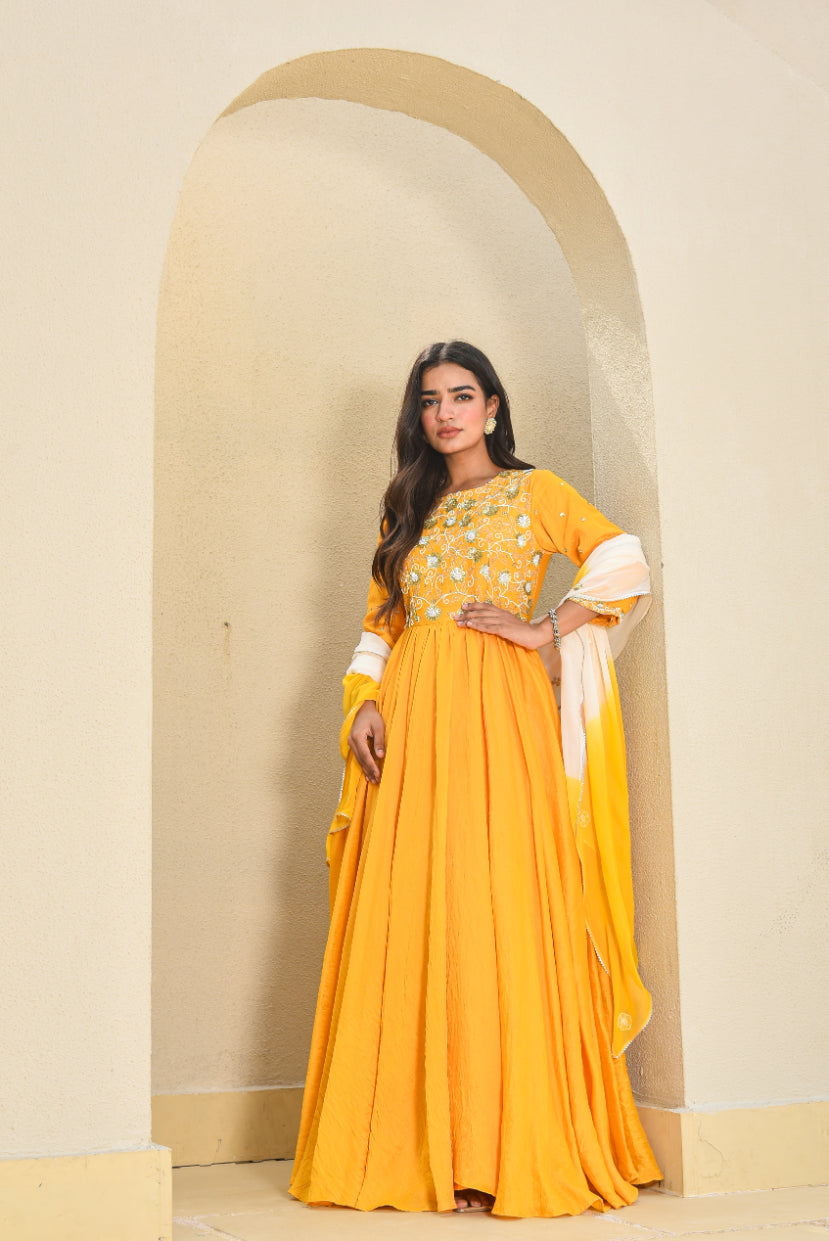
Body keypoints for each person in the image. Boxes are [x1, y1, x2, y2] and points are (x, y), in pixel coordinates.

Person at [289, 341, 662, 1217]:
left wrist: (545, 628)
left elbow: (624, 557)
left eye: (461, 396)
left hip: (500, 712)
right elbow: (379, 622)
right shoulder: (406, 505)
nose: (445, 413)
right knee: (420, 905)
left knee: (499, 904)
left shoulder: (534, 492)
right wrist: (363, 702)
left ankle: (502, 1147)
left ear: (492, 407)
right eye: (429, 400)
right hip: (412, 714)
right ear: (417, 415)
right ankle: (426, 1148)